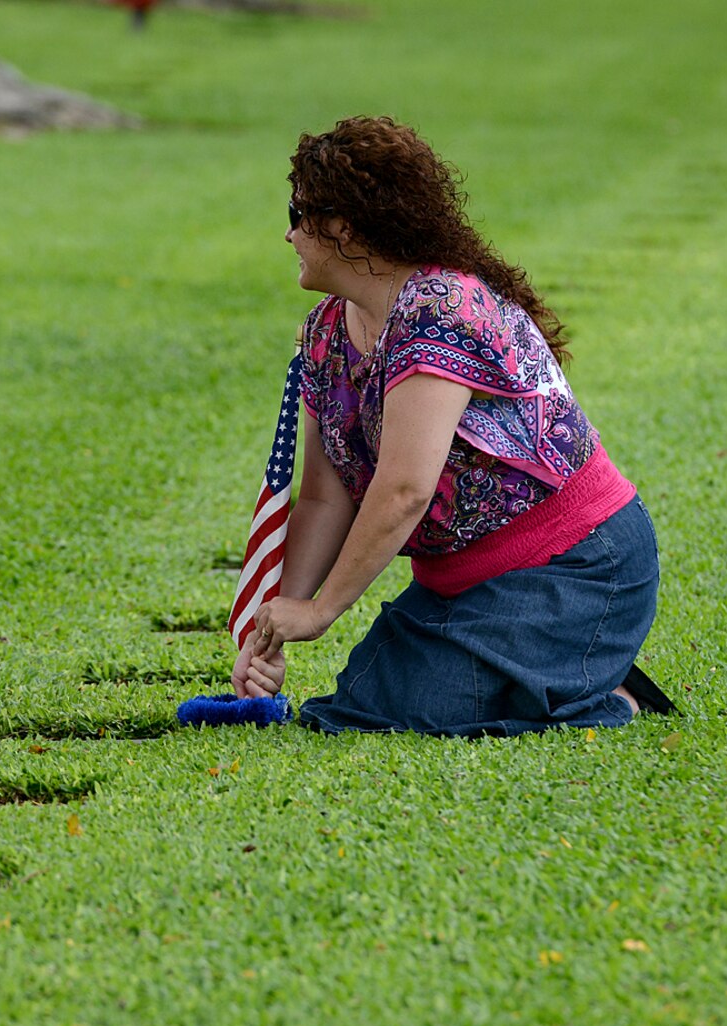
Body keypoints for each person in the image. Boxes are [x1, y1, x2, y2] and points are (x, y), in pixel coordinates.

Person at [236, 116, 673, 736]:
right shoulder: (326, 331)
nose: (287, 234)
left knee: (415, 712)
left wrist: (323, 610)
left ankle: (606, 692)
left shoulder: (442, 310)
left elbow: (404, 490)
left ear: (342, 224)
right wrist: (277, 623)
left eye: (297, 212)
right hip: (463, 582)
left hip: (573, 563)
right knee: (362, 703)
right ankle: (560, 671)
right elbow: (322, 495)